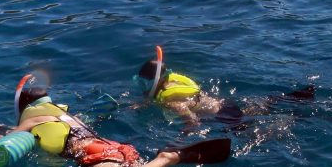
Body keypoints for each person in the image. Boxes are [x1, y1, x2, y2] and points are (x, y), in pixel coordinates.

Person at [0, 79, 232, 167]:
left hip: (97, 156)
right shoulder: (65, 115)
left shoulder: (31, 120)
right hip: (117, 149)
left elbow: (8, 142)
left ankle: (167, 158)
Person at [134, 46, 314, 129]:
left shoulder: (170, 101)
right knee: (255, 111)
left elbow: (192, 120)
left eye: (145, 83)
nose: (143, 87)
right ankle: (291, 98)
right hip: (223, 104)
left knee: (253, 126)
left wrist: (185, 134)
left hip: (222, 116)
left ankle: (297, 117)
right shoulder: (171, 82)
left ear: (155, 82)